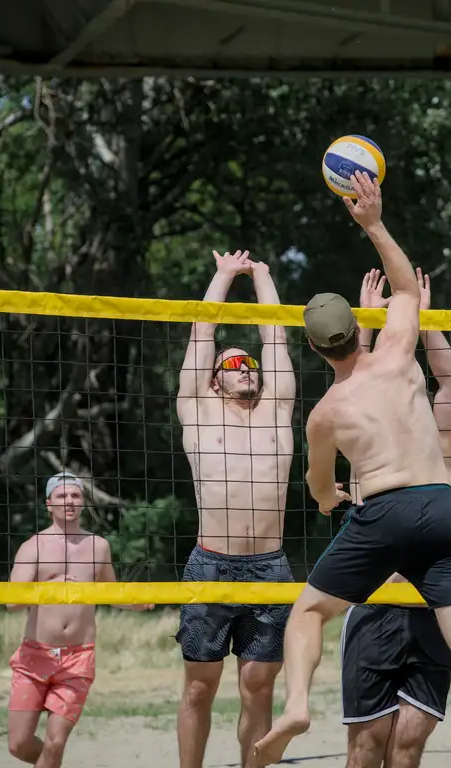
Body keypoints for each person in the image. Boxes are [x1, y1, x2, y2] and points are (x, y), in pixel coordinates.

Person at [253, 172, 451, 768]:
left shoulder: (326, 414)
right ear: (365, 328)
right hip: (440, 505)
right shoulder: (398, 353)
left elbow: (318, 486)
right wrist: (372, 223)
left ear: (315, 349)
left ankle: (295, 707)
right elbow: (405, 287)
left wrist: (324, 498)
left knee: (309, 610)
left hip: (383, 509)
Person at [340, 267, 451, 768]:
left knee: (410, 743)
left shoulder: (446, 453)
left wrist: (425, 315)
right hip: (374, 605)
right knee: (367, 747)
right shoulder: (368, 443)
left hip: (433, 608)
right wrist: (367, 322)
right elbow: (354, 382)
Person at [175, 249, 297, 768]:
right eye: (233, 364)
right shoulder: (198, 411)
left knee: (257, 687)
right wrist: (224, 277)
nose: (245, 368)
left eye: (250, 365)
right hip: (212, 564)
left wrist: (265, 278)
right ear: (212, 379)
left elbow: (277, 337)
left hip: (270, 567)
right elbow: (202, 335)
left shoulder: (277, 409)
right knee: (200, 690)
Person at [6, 471, 153, 768]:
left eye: (75, 495)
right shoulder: (33, 546)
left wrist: (136, 603)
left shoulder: (98, 546)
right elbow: (12, 603)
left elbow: (109, 592)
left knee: (55, 741)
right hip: (34, 656)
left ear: (83, 502)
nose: (69, 501)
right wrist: (50, 588)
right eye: (62, 496)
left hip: (78, 658)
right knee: (19, 745)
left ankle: (51, 759)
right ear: (49, 504)